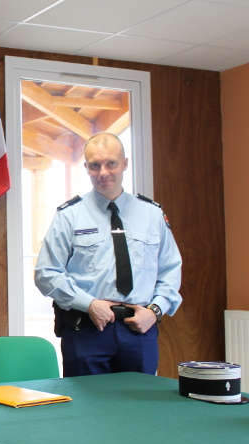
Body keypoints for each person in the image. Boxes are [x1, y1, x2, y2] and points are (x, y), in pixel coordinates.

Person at [34, 132, 182, 377]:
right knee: (87, 409)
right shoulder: (69, 215)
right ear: (86, 168)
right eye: (95, 165)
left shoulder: (151, 214)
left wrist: (155, 311)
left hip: (139, 328)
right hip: (87, 329)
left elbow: (170, 269)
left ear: (125, 163)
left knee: (139, 408)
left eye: (111, 163)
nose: (103, 172)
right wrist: (89, 304)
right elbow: (46, 273)